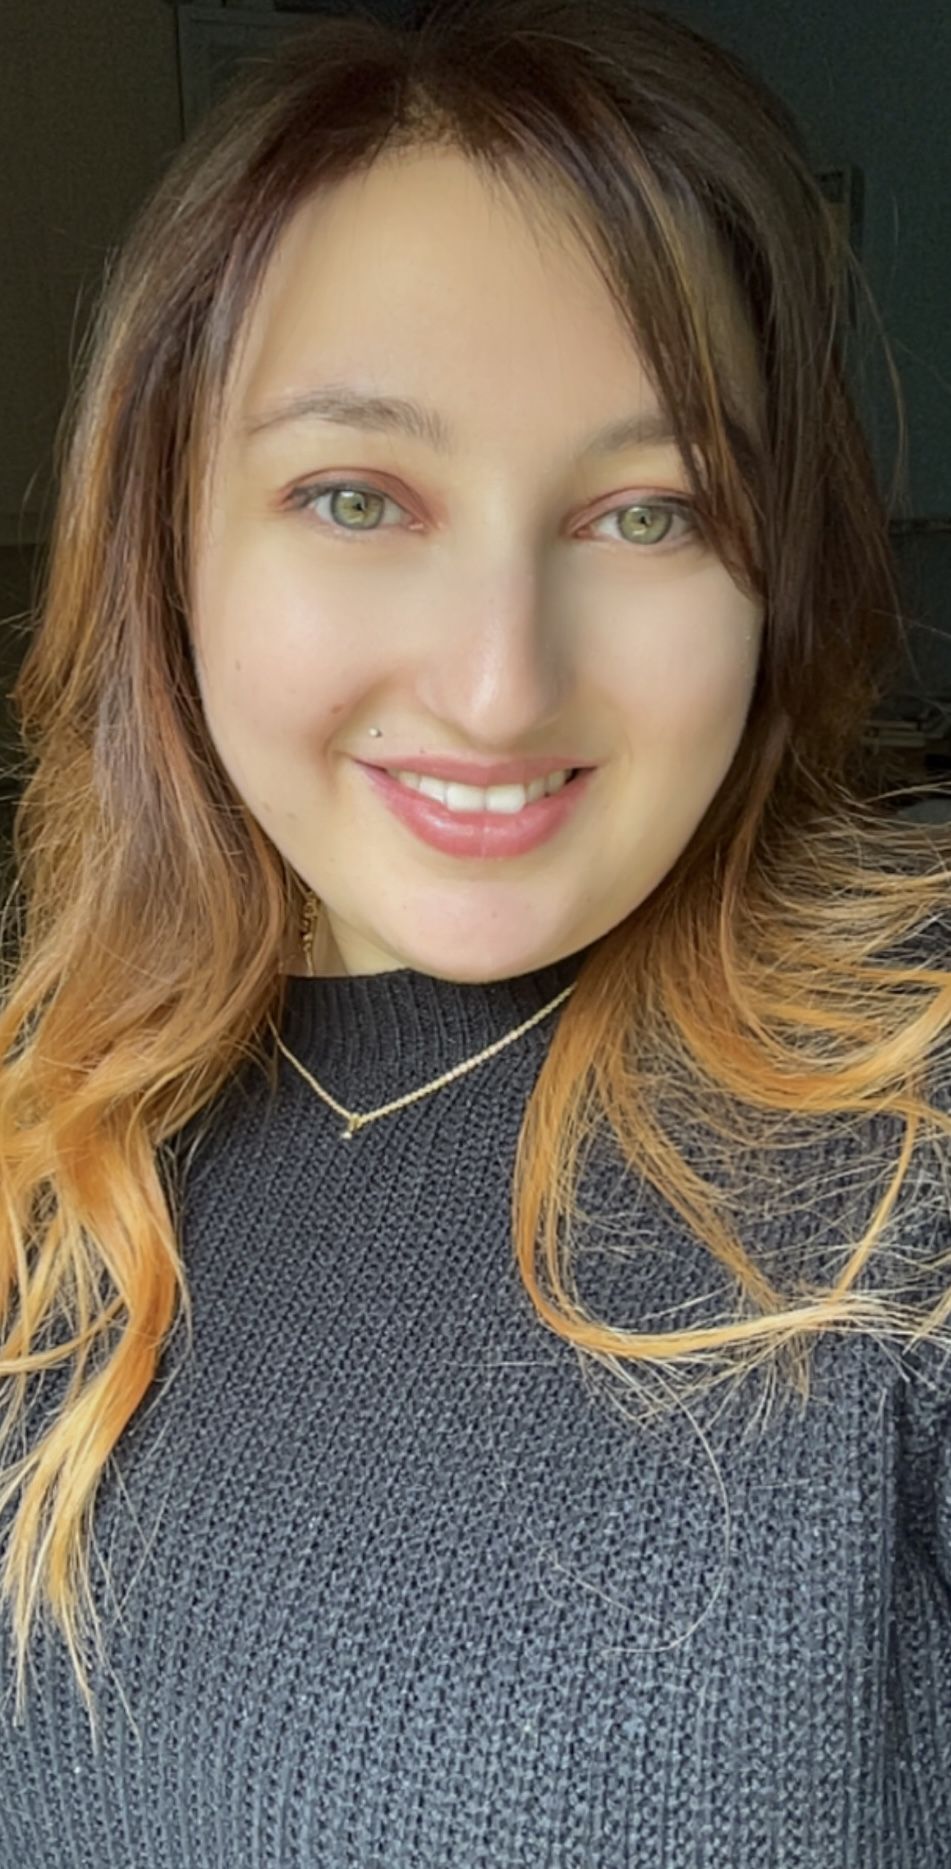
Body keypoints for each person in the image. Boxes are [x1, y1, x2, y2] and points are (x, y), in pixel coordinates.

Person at [1, 1, 950, 1861]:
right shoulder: (50, 1148)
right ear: (167, 542)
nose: (502, 684)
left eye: (650, 512)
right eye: (358, 497)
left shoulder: (906, 1136)